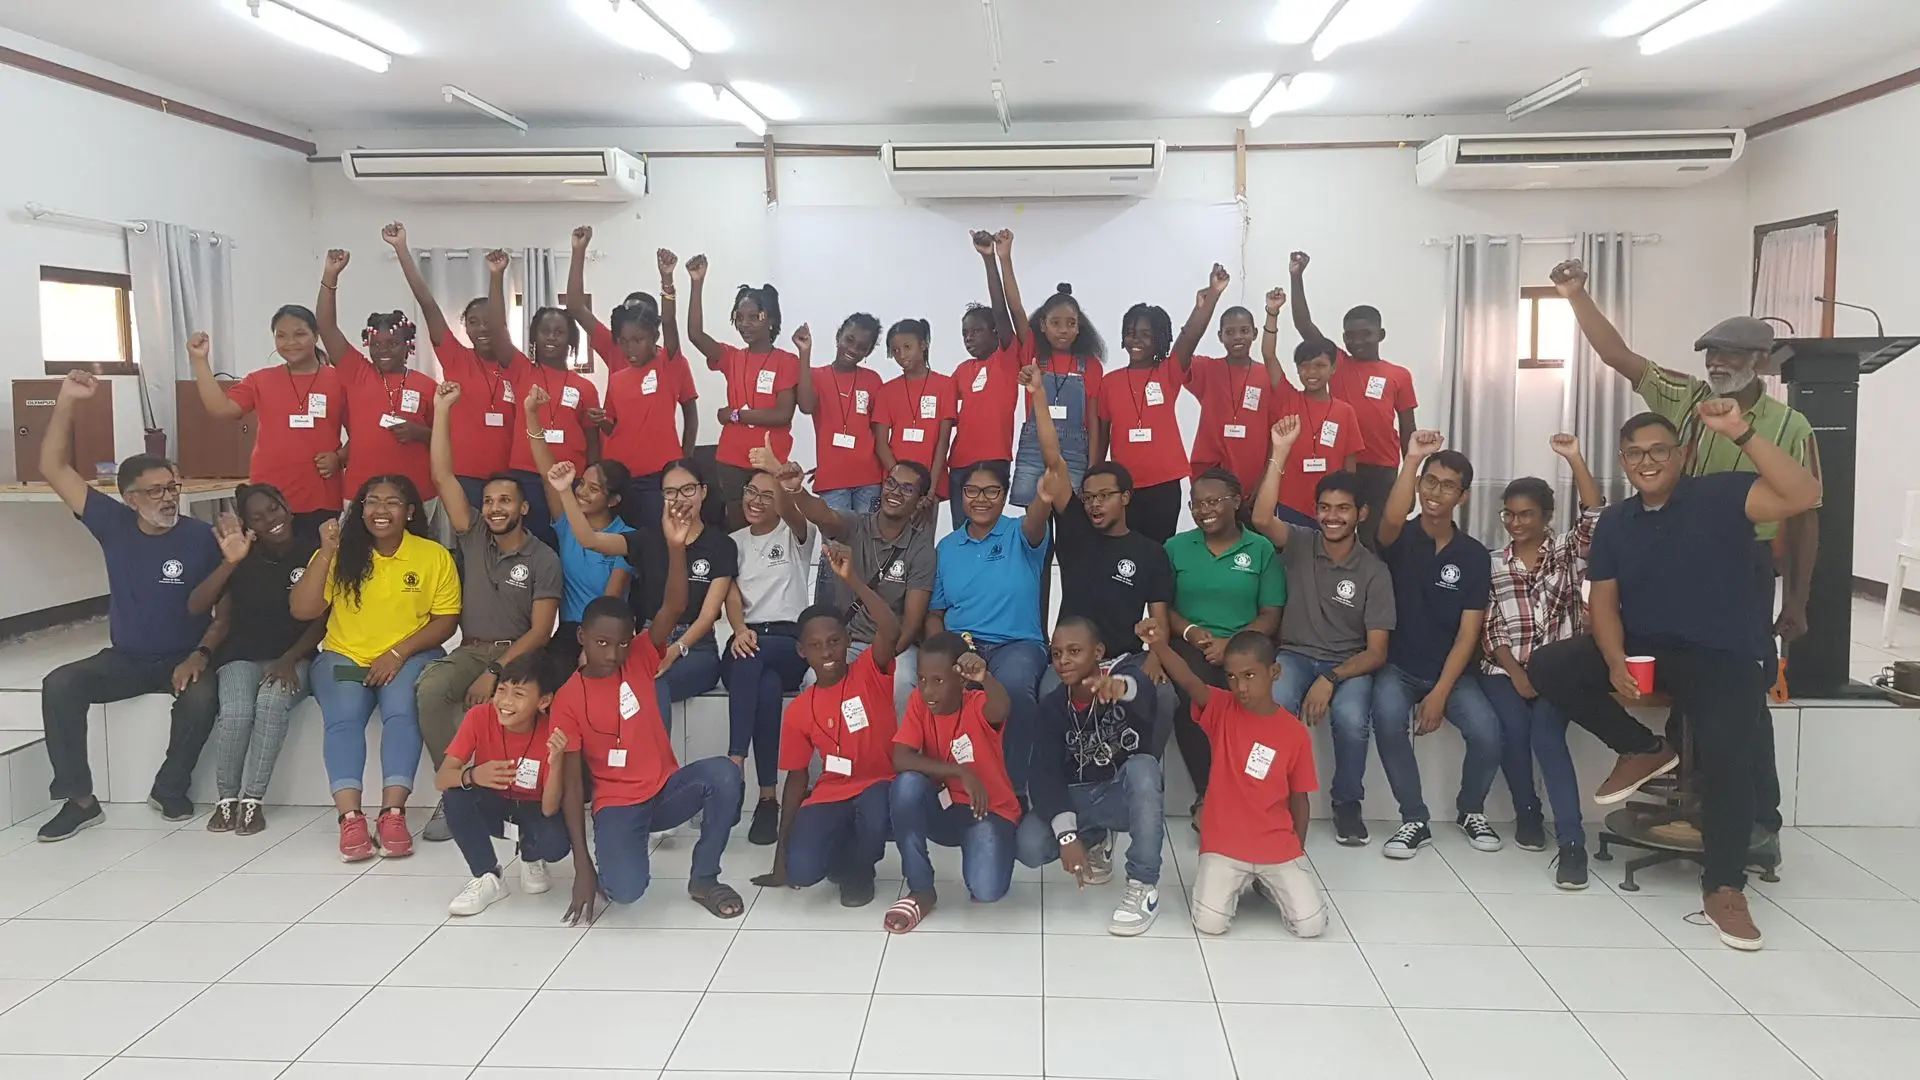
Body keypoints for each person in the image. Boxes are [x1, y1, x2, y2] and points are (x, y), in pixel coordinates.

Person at [1551, 259, 1815, 873]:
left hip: (1742, 565)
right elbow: (1617, 355)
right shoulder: (1687, 397)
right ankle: (1669, 774)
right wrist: (1575, 295)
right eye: (1711, 354)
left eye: (1731, 354)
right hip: (1665, 550)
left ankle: (1757, 825)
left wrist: (1800, 600)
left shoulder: (1788, 425)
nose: (1717, 363)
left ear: (1762, 360)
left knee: (1741, 702)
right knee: (1672, 677)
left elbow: (1805, 512)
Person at [1527, 404, 1822, 950]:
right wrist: (1614, 659)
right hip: (1648, 649)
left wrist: (1741, 431)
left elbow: (1803, 494)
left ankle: (1724, 887)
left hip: (1722, 653)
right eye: (1635, 453)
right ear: (1623, 461)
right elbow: (1604, 601)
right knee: (1550, 665)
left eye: (1658, 450)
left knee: (1727, 758)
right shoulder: (1617, 521)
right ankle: (1642, 748)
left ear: (1682, 454)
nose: (1647, 461)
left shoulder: (1724, 494)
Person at [35, 372, 226, 841]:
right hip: (126, 659)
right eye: (156, 491)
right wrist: (67, 400)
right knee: (60, 684)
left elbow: (226, 608)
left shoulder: (202, 537)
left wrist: (200, 655)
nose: (169, 498)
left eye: (172, 488)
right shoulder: (112, 523)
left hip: (185, 657)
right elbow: (53, 466)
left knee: (202, 699)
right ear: (130, 499)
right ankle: (79, 801)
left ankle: (170, 787)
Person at [551, 569, 748, 923]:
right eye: (602, 643)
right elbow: (572, 785)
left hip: (664, 792)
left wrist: (675, 548)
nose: (613, 654)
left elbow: (674, 605)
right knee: (625, 892)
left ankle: (704, 879)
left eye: (622, 643)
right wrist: (582, 865)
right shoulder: (566, 700)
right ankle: (621, 850)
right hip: (617, 805)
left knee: (724, 775)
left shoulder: (640, 655)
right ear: (581, 636)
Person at [415, 383, 563, 843]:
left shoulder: (543, 558)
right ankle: (459, 787)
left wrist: (495, 673)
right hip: (470, 649)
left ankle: (505, 796)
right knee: (431, 688)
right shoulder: (474, 533)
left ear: (524, 507)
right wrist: (442, 409)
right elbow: (442, 477)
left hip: (518, 656)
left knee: (497, 701)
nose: (495, 508)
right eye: (490, 501)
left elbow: (541, 631)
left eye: (505, 501)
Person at [290, 475, 459, 861]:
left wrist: (397, 654)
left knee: (402, 711)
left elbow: (446, 621)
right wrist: (326, 552)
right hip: (344, 657)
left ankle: (392, 814)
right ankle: (350, 819)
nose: (380, 510)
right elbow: (302, 609)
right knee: (344, 716)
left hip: (408, 656)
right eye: (371, 502)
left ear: (410, 511)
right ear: (360, 509)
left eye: (392, 502)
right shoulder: (341, 551)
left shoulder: (432, 556)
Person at [1252, 419, 1394, 848]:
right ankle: (1268, 801)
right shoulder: (1300, 542)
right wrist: (1280, 450)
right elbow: (1261, 517)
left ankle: (1347, 804)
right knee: (1274, 705)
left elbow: (1376, 652)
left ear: (1361, 514)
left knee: (1350, 720)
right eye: (1325, 508)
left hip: (1349, 665)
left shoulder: (1374, 571)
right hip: (1294, 656)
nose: (1332, 517)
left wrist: (1330, 678)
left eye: (1343, 509)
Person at [1140, 617, 1326, 940]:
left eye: (1250, 676)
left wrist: (1295, 852)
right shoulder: (1221, 709)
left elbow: (1300, 798)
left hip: (1276, 845)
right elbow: (1188, 679)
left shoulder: (1294, 733)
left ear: (1274, 672)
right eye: (1232, 677)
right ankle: (1237, 881)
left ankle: (1267, 882)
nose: (1240, 687)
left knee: (1312, 925)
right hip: (1224, 842)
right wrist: (1157, 644)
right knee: (1210, 923)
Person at [1365, 431, 1503, 859]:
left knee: (1488, 734)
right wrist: (1412, 459)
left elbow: (1468, 634)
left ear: (1462, 497)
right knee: (1388, 719)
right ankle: (1414, 819)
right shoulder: (1400, 538)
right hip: (1398, 667)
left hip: (1452, 672)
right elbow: (1391, 517)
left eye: (1447, 486)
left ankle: (1470, 809)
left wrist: (1441, 693)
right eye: (1430, 481)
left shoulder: (1474, 555)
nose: (1435, 493)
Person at [1480, 436, 1604, 888]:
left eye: (1526, 514)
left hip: (1559, 673)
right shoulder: (1492, 563)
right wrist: (1517, 674)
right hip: (1503, 669)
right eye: (1509, 514)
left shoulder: (1568, 554)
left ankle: (1572, 844)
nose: (1515, 522)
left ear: (1547, 516)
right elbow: (1491, 628)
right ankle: (1527, 811)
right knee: (1513, 730)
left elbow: (1594, 516)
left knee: (1546, 736)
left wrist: (1574, 458)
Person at [751, 545, 903, 907]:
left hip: (879, 785)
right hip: (833, 791)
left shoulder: (870, 672)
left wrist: (853, 581)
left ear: (848, 641)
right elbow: (797, 779)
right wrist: (780, 857)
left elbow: (890, 628)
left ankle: (860, 871)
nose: (827, 652)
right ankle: (843, 853)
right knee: (801, 872)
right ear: (802, 652)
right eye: (816, 646)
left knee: (874, 810)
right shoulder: (800, 710)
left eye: (834, 642)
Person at [1025, 363, 1173, 712]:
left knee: (1165, 697)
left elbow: (1160, 619)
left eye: (1104, 496)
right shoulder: (1075, 528)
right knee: (1047, 700)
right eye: (1089, 497)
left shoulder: (1150, 552)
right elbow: (1054, 461)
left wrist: (1156, 657)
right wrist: (1038, 395)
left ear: (1125, 497)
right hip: (1073, 660)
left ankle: (1136, 748)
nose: (1094, 504)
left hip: (1126, 660)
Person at [755, 445, 935, 715]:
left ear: (920, 501)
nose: (895, 492)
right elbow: (823, 515)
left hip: (895, 648)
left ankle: (897, 743)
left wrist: (878, 663)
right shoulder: (855, 524)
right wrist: (796, 490)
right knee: (813, 679)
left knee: (901, 683)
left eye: (907, 489)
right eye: (891, 483)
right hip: (847, 642)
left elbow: (910, 626)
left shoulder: (922, 550)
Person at [188, 485, 326, 835]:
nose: (270, 520)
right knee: (235, 712)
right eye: (258, 517)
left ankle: (253, 799)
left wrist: (289, 659)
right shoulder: (242, 556)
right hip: (240, 656)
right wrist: (231, 562)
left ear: (288, 508)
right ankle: (226, 798)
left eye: (274, 509)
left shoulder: (313, 553)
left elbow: (322, 620)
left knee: (270, 702)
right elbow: (197, 606)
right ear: (248, 525)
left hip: (294, 657)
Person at [1019, 617, 1167, 936]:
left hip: (1120, 795)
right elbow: (1043, 776)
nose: (1063, 660)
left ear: (1098, 652)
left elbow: (1143, 691)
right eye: (1057, 653)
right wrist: (1067, 836)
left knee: (1144, 767)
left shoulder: (1122, 682)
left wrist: (1121, 688)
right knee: (1029, 846)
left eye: (1074, 651)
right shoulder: (1052, 707)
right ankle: (1097, 837)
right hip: (1080, 799)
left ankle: (1143, 884)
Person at [928, 459, 1064, 795]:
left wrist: (1044, 498)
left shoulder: (1021, 533)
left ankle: (1014, 793)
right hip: (961, 643)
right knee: (948, 693)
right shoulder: (947, 547)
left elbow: (1036, 521)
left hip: (1017, 645)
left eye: (991, 491)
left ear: (1004, 495)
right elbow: (935, 612)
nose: (981, 499)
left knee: (1014, 690)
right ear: (961, 495)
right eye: (972, 491)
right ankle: (951, 789)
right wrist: (939, 653)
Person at [563, 458, 732, 725]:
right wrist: (563, 490)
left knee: (653, 683)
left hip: (696, 649)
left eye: (688, 489)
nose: (680, 499)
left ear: (703, 491)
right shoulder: (648, 538)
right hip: (648, 640)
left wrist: (674, 650)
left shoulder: (722, 544)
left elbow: (708, 615)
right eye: (670, 492)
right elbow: (589, 540)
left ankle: (654, 754)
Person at [1162, 468, 1285, 825]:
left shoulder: (1260, 548)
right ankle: (1209, 794)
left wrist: (1231, 644)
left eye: (1213, 502)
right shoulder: (1175, 547)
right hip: (1190, 644)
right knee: (1194, 694)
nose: (1204, 511)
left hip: (1245, 644)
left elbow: (1271, 614)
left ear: (1236, 501)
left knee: (1245, 693)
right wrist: (1191, 632)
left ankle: (1251, 795)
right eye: (1196, 504)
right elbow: (1162, 607)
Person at [381, 221, 526, 511]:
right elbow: (427, 303)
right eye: (473, 322)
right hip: (463, 475)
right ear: (465, 327)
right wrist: (401, 249)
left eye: (489, 321)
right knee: (468, 537)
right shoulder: (456, 358)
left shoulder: (517, 364)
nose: (482, 328)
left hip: (509, 476)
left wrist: (496, 276)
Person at [885, 632, 1024, 932]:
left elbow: (1001, 707)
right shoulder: (920, 703)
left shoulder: (978, 704)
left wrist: (985, 678)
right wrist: (959, 772)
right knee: (906, 785)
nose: (928, 690)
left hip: (988, 811)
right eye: (922, 679)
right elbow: (900, 758)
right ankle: (921, 889)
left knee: (986, 890)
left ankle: (996, 847)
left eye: (938, 680)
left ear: (962, 680)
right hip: (945, 807)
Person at [564, 227, 698, 533]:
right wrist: (579, 250)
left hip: (659, 471)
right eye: (625, 339)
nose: (630, 347)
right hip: (617, 473)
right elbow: (575, 307)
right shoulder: (618, 364)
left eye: (638, 338)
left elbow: (690, 412)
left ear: (653, 331)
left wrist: (686, 460)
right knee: (618, 541)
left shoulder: (670, 362)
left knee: (658, 538)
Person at [1286, 250, 1418, 550]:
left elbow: (1408, 430)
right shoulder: (1338, 364)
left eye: (1365, 334)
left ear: (1381, 334)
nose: (1357, 341)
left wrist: (1410, 481)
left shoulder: (1399, 375)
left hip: (1382, 470)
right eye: (1350, 335)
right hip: (1342, 465)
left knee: (1377, 541)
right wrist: (1296, 277)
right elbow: (1304, 324)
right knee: (1336, 535)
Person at [315, 248, 443, 542]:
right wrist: (330, 276)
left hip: (417, 493)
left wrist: (419, 433)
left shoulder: (427, 385)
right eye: (376, 344)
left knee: (415, 556)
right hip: (362, 491)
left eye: (393, 344)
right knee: (360, 556)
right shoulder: (357, 372)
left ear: (408, 345)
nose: (383, 351)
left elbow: (446, 440)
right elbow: (326, 326)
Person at [1096, 265, 1229, 543]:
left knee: (1160, 549)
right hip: (1124, 486)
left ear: (1159, 339)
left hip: (1164, 482)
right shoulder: (1109, 382)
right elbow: (1101, 438)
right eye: (1131, 332)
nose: (1136, 340)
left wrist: (1212, 296)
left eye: (1145, 334)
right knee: (1127, 549)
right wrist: (1095, 479)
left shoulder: (1168, 372)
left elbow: (1190, 337)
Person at [723, 466, 821, 845]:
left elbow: (794, 512)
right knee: (764, 686)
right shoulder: (732, 543)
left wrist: (781, 477)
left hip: (787, 641)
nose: (757, 501)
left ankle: (735, 765)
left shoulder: (797, 533)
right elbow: (732, 596)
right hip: (747, 640)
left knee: (756, 661)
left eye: (767, 495)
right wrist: (739, 630)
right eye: (752, 491)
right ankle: (767, 799)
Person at [436, 653, 572, 916]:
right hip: (494, 805)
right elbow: (442, 779)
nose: (506, 702)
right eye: (501, 690)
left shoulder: (553, 731)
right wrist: (474, 775)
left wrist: (556, 763)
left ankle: (531, 855)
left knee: (555, 844)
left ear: (543, 701)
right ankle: (488, 876)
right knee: (455, 795)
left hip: (534, 809)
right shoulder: (479, 716)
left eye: (519, 694)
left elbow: (549, 808)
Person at [188, 313, 344, 541]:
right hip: (267, 498)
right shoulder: (260, 380)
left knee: (318, 558)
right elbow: (220, 408)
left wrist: (339, 457)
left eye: (300, 334)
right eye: (281, 336)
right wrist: (200, 360)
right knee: (269, 558)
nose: (290, 342)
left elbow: (362, 432)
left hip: (320, 494)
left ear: (316, 335)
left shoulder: (339, 380)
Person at [483, 248, 599, 548]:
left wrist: (589, 484)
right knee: (532, 547)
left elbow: (593, 442)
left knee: (570, 546)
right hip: (528, 477)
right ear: (534, 336)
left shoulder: (585, 387)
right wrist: (496, 276)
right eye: (545, 331)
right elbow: (496, 329)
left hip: (571, 480)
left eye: (559, 332)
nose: (551, 337)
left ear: (571, 339)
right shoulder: (521, 369)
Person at [683, 254, 797, 523]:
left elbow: (782, 415)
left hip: (770, 458)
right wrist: (697, 283)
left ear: (770, 320)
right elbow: (695, 335)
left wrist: (735, 415)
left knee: (769, 523)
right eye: (740, 317)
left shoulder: (787, 361)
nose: (745, 324)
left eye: (754, 317)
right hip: (730, 459)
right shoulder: (732, 357)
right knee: (737, 527)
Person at [516, 415, 632, 676]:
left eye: (594, 489)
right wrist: (532, 413)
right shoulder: (567, 523)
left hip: (607, 631)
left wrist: (592, 646)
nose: (582, 492)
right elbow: (548, 475)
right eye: (582, 484)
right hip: (569, 631)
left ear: (613, 500)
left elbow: (611, 599)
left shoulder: (626, 537)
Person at [950, 229, 1027, 527]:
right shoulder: (961, 371)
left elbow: (1000, 309)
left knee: (988, 530)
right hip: (959, 464)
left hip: (994, 460)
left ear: (995, 331)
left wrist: (989, 259)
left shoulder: (1005, 359)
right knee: (962, 532)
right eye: (964, 333)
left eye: (976, 331)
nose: (969, 338)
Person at [1011, 275, 1104, 508]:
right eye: (1055, 323)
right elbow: (1016, 310)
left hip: (1074, 452)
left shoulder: (1091, 365)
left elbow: (1093, 421)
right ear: (1042, 325)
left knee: (1070, 517)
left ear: (1079, 327)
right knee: (1034, 518)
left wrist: (1093, 468)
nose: (1063, 330)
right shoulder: (1033, 355)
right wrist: (1005, 260)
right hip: (1034, 448)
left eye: (1071, 323)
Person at [1186, 288, 1285, 501]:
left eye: (1244, 330)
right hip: (1209, 479)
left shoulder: (1267, 376)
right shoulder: (1206, 369)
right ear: (1220, 337)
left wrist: (1265, 481)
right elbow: (1180, 356)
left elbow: (1275, 435)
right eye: (1229, 332)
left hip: (1253, 482)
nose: (1237, 337)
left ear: (1255, 333)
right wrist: (1201, 309)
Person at [1261, 330, 1366, 525]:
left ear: (1333, 368)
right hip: (1290, 503)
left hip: (1331, 508)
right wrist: (1272, 316)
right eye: (1304, 366)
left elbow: (1350, 466)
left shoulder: (1345, 412)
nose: (1312, 372)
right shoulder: (1288, 399)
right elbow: (1268, 355)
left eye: (1320, 365)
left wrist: (1350, 504)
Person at [795, 315, 886, 536]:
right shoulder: (816, 376)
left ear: (868, 352)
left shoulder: (873, 380)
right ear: (838, 337)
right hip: (833, 481)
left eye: (862, 347)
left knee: (868, 542)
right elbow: (806, 406)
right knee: (835, 544)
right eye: (849, 340)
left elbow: (878, 433)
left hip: (870, 479)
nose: (853, 349)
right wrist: (804, 353)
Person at [876, 317, 957, 512]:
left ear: (923, 345)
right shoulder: (886, 391)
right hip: (894, 486)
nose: (901, 355)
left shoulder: (945, 386)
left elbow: (943, 442)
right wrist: (899, 482)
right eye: (895, 350)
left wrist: (930, 488)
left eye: (907, 347)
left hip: (930, 484)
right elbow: (880, 443)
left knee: (922, 530)